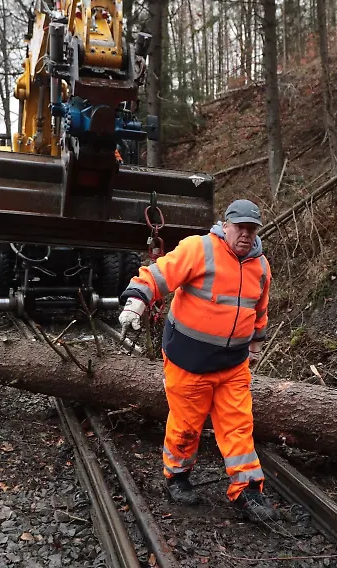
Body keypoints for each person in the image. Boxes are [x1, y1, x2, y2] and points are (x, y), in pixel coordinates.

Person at [118, 199, 275, 522]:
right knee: (187, 425)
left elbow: (259, 310)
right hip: (188, 360)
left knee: (238, 426)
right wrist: (137, 300)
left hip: (232, 365)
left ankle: (247, 490)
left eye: (251, 229)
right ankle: (177, 476)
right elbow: (159, 274)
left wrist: (256, 343)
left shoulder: (260, 267)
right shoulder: (199, 249)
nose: (245, 234)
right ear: (226, 226)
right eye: (240, 227)